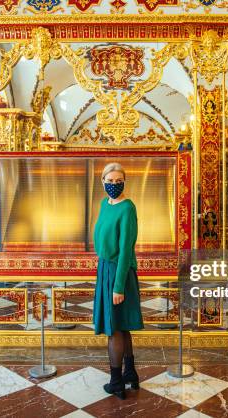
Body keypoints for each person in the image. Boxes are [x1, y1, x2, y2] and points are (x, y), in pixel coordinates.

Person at [92, 162, 144, 400]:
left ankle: (115, 382)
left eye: (118, 181)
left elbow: (125, 250)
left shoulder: (127, 208)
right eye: (109, 181)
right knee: (121, 325)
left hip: (119, 273)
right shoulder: (105, 204)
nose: (114, 185)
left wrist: (118, 287)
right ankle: (130, 373)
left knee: (114, 329)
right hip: (105, 268)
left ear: (124, 181)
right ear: (103, 181)